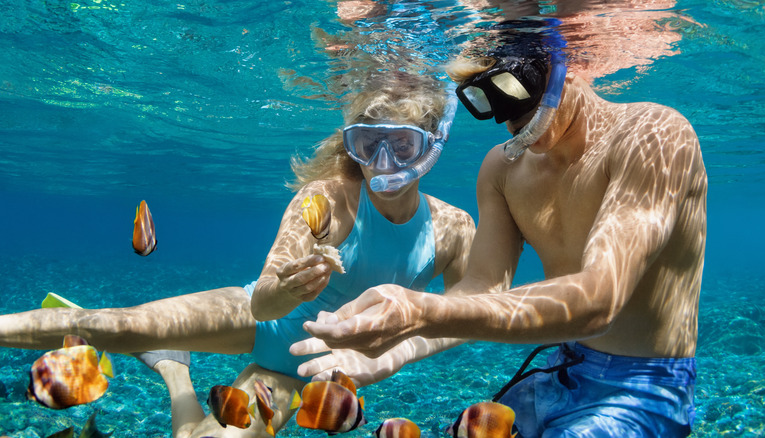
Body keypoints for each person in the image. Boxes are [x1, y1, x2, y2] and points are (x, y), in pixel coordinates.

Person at [0, 71, 475, 437]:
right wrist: (285, 289)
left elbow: (472, 313)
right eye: (368, 145)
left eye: (402, 145)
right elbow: (262, 303)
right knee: (114, 325)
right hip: (259, 318)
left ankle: (173, 370)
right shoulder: (326, 198)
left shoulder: (453, 228)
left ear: (432, 146)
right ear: (352, 144)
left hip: (299, 372)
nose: (382, 164)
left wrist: (400, 347)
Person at [292, 20, 707, 437]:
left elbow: (601, 297)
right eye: (492, 103)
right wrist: (397, 351)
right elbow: (482, 289)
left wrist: (421, 312)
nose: (513, 123)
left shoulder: (654, 135)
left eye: (519, 92)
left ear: (562, 61)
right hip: (561, 365)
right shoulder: (502, 168)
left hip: (644, 385)